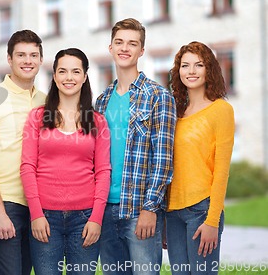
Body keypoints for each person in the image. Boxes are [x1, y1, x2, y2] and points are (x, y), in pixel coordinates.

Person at [94, 18, 176, 275]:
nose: (124, 48)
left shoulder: (158, 96)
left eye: (132, 43)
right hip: (105, 210)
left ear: (141, 51)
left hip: (139, 209)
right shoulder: (101, 100)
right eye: (119, 42)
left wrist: (150, 208)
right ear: (110, 47)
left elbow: (163, 158)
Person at [20, 48, 111, 275]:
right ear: (54, 76)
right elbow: (27, 167)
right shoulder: (37, 117)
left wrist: (96, 218)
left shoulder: (98, 121)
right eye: (62, 71)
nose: (69, 78)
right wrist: (36, 214)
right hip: (45, 217)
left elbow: (103, 172)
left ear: (85, 76)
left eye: (75, 71)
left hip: (85, 219)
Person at [0, 29, 46, 275]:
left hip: (37, 203)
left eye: (33, 55)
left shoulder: (45, 100)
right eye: (21, 55)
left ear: (40, 60)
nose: (27, 61)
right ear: (9, 59)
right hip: (6, 202)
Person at [165, 41, 234, 274]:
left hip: (202, 211)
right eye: (185, 66)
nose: (191, 71)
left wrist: (213, 220)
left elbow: (222, 169)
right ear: (178, 71)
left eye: (198, 65)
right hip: (172, 213)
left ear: (209, 70)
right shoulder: (174, 112)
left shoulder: (221, 110)